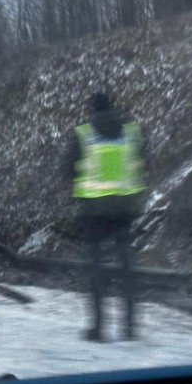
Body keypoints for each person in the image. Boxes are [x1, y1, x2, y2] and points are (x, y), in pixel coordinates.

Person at [62, 92, 146, 342]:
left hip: (94, 213)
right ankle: (130, 327)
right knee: (127, 268)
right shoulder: (131, 131)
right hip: (124, 209)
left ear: (91, 110)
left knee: (96, 270)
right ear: (113, 108)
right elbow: (142, 160)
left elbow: (67, 169)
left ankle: (98, 329)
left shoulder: (83, 134)